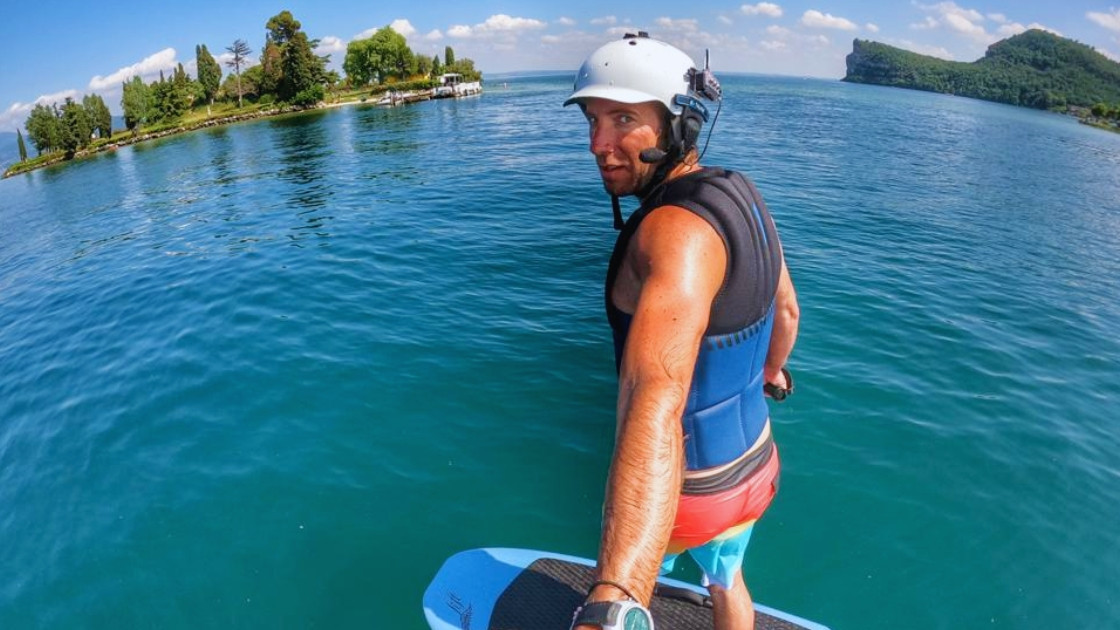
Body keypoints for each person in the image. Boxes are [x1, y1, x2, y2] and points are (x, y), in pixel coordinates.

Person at [563, 33, 800, 630]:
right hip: (756, 467)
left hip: (689, 493)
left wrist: (615, 595)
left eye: (623, 120)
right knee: (729, 584)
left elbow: (654, 401)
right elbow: (788, 311)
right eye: (593, 121)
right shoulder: (740, 193)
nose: (599, 144)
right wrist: (771, 374)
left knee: (631, 574)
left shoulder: (673, 234)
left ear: (679, 125)